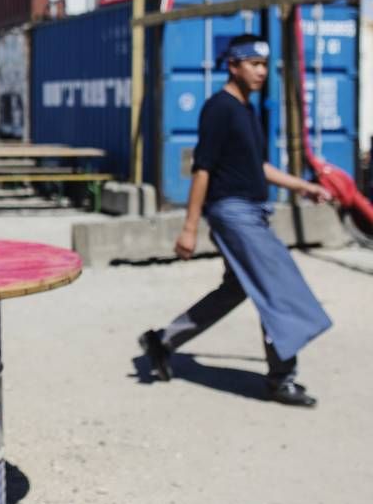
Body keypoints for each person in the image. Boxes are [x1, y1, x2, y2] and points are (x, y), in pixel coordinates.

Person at [138, 34, 333, 407]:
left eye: (264, 64)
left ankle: (163, 341)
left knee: (238, 288)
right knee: (276, 286)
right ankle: (281, 379)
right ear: (233, 65)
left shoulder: (246, 111)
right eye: (253, 64)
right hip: (233, 211)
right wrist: (190, 227)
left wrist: (303, 188)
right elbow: (202, 170)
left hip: (252, 209)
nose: (262, 72)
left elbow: (257, 167)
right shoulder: (219, 108)